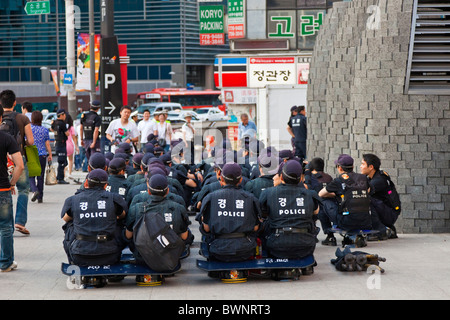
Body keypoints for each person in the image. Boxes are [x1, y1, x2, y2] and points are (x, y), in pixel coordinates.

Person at [61, 169, 128, 267]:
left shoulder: (73, 200)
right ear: (106, 185)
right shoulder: (114, 198)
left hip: (80, 255)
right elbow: (123, 215)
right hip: (110, 254)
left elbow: (65, 218)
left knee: (70, 224)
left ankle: (72, 262)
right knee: (119, 224)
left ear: (86, 183)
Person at [125, 174, 192, 264]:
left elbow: (128, 236)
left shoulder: (136, 208)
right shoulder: (178, 208)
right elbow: (184, 237)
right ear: (168, 191)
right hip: (171, 257)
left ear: (148, 191)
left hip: (143, 257)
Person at [199, 163, 261, 262]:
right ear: (241, 180)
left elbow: (206, 228)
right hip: (245, 250)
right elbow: (256, 227)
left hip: (218, 250)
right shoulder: (251, 198)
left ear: (221, 179)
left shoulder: (210, 197)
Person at [259, 160, 320, 259]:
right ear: (301, 178)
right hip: (305, 246)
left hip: (276, 246)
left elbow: (261, 214)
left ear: (281, 177)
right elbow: (315, 213)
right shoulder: (311, 194)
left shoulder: (268, 193)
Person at [0, 90, 34, 235]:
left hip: (3, 161)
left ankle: (6, 221)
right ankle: (19, 221)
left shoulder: (1, 117)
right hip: (18, 157)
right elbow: (31, 141)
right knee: (23, 189)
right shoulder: (22, 118)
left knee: (4, 192)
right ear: (15, 103)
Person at [319, 154, 372, 232]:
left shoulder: (339, 180)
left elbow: (320, 194)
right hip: (366, 221)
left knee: (323, 201)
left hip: (347, 222)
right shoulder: (363, 178)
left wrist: (336, 194)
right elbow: (368, 191)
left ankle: (329, 236)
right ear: (353, 167)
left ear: (339, 168)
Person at [0, 105, 25, 272]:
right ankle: (6, 263)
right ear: (1, 118)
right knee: (5, 227)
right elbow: (20, 166)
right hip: (2, 189)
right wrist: (12, 183)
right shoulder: (6, 138)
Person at [360, 153, 400, 239]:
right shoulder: (370, 178)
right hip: (386, 211)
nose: (361, 166)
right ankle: (387, 229)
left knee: (365, 199)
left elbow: (364, 193)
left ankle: (380, 231)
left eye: (363, 164)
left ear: (371, 167)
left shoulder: (379, 180)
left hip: (390, 213)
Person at [304, 157, 338, 246]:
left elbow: (308, 190)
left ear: (312, 168)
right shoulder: (328, 177)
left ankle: (314, 234)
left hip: (317, 206)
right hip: (331, 204)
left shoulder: (311, 178)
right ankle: (330, 236)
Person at [29, 111, 53, 203]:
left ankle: (35, 190)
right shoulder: (45, 130)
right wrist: (50, 155)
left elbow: (26, 141)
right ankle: (40, 198)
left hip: (32, 155)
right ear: (41, 119)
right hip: (42, 155)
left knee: (30, 175)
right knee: (40, 176)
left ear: (32, 119)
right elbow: (47, 144)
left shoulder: (29, 129)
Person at [51, 109, 70, 184]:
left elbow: (52, 129)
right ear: (61, 115)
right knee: (62, 162)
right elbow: (67, 133)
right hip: (62, 144)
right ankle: (60, 178)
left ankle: (59, 177)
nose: (65, 116)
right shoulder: (62, 123)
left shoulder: (54, 122)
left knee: (62, 161)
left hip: (57, 144)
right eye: (64, 115)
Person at [65, 114, 79, 180]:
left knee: (63, 160)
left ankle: (64, 173)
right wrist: (76, 146)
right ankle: (69, 173)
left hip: (63, 144)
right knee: (70, 160)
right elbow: (74, 138)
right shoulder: (71, 128)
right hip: (70, 145)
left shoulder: (63, 127)